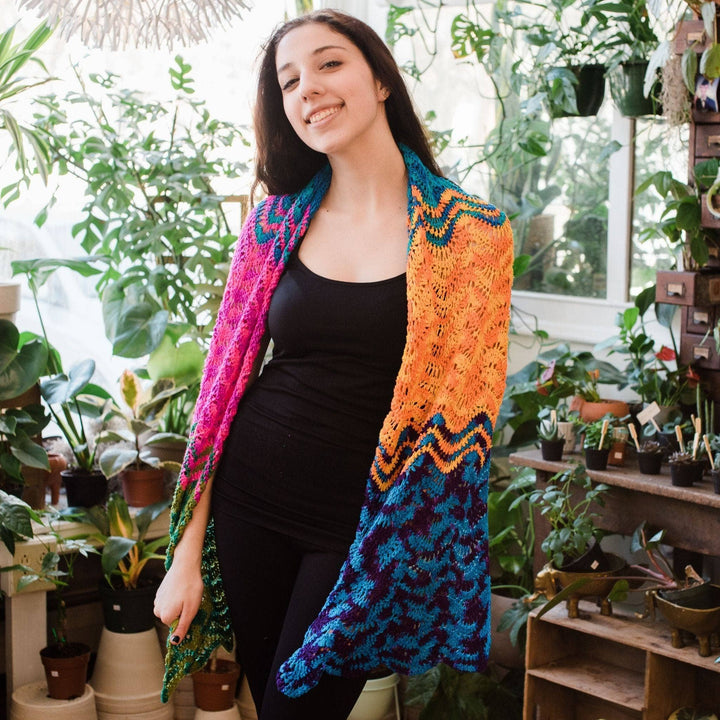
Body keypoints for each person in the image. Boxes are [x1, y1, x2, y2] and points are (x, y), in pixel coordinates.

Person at [153, 9, 513, 720]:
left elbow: (466, 417)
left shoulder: (471, 237)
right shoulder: (274, 223)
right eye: (289, 81)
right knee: (270, 704)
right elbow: (219, 392)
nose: (308, 88)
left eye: (328, 64)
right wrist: (185, 553)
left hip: (364, 531)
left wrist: (403, 554)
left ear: (380, 79)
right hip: (250, 503)